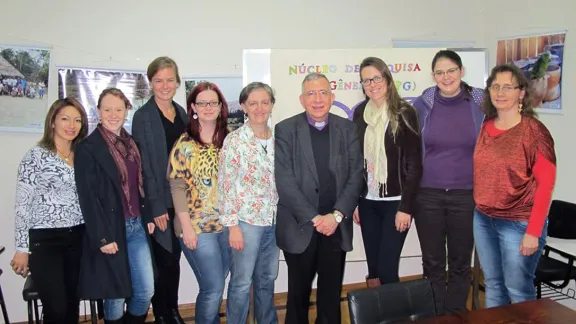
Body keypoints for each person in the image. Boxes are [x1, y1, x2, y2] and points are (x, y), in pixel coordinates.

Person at [274, 72, 363, 324]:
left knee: (331, 296)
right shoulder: (286, 129)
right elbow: (285, 181)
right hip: (301, 226)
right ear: (302, 99)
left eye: (323, 92)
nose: (317, 99)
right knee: (298, 297)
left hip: (336, 226)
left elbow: (356, 175)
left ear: (332, 97)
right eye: (311, 93)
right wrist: (315, 218)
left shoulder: (347, 129)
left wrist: (335, 216)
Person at [473, 64, 556, 308]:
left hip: (519, 224)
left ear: (521, 93)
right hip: (483, 219)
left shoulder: (534, 131)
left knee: (518, 290)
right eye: (495, 86)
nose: (500, 92)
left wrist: (533, 231)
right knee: (493, 284)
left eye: (508, 87)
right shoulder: (485, 126)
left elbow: (546, 186)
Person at [411, 49, 485, 314]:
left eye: (451, 70)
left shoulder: (480, 102)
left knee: (460, 263)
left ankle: (455, 316)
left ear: (461, 71)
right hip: (428, 195)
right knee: (431, 263)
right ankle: (434, 315)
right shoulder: (423, 104)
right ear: (433, 76)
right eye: (440, 72)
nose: (446, 77)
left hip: (466, 196)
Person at [75, 88, 156, 324]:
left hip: (136, 226)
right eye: (107, 109)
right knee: (116, 294)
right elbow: (87, 197)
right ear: (98, 112)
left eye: (119, 109)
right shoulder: (88, 148)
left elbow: (141, 185)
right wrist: (102, 237)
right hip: (111, 230)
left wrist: (148, 216)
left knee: (145, 291)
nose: (113, 114)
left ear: (126, 110)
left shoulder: (133, 144)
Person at [10, 98, 88, 324]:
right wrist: (21, 249)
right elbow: (22, 205)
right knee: (57, 308)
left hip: (78, 237)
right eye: (65, 118)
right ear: (52, 122)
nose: (71, 125)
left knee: (72, 305)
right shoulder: (35, 156)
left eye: (77, 120)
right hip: (46, 241)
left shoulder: (83, 155)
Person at [352, 57, 422, 288]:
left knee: (387, 268)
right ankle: (375, 315)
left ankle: (395, 317)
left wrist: (406, 208)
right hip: (368, 201)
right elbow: (355, 161)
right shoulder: (360, 113)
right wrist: (354, 202)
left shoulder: (404, 112)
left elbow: (414, 164)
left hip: (396, 202)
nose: (372, 84)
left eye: (376, 78)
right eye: (366, 80)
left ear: (387, 79)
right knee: (373, 269)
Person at [168, 82, 230, 324]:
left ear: (220, 106)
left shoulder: (230, 140)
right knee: (213, 288)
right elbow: (176, 186)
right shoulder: (185, 144)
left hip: (227, 225)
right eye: (201, 103)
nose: (207, 107)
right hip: (196, 227)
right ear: (193, 107)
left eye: (212, 102)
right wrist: (187, 227)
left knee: (217, 281)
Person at [132, 56, 188, 324]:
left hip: (183, 200)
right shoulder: (143, 117)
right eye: (158, 80)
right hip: (159, 202)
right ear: (151, 83)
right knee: (164, 261)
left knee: (174, 261)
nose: (164, 85)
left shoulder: (183, 113)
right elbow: (143, 167)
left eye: (169, 80)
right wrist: (154, 207)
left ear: (177, 82)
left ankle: (173, 309)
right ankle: (164, 313)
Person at [218, 82, 279, 324]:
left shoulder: (279, 138)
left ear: (272, 105)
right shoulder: (234, 141)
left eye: (265, 102)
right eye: (253, 103)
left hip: (273, 221)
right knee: (242, 282)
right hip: (245, 223)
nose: (259, 108)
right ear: (244, 106)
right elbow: (225, 185)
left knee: (267, 279)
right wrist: (232, 226)